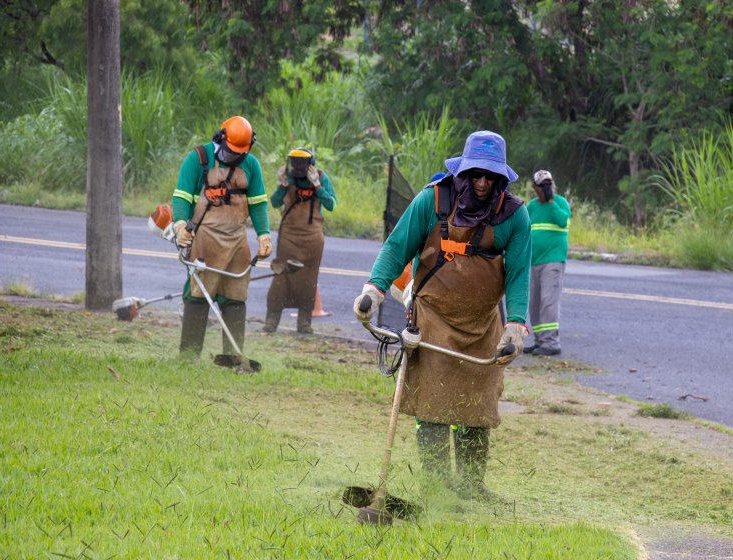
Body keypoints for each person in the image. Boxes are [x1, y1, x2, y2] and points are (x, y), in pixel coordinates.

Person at [353, 131, 531, 498]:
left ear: (501, 179)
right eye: (476, 175)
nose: (482, 183)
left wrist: (515, 325)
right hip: (431, 317)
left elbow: (518, 275)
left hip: (483, 325)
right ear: (462, 173)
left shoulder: (515, 217)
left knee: (477, 405)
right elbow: (396, 247)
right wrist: (373, 289)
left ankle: (470, 487)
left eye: (490, 177)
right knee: (432, 403)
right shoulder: (431, 201)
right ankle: (435, 485)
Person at [171, 116, 272, 358]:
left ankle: (232, 355)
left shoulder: (251, 165)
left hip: (237, 239)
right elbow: (182, 196)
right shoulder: (198, 159)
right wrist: (181, 225)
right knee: (198, 291)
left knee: (236, 293)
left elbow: (258, 204)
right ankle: (189, 356)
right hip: (205, 238)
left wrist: (263, 235)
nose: (235, 157)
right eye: (231, 151)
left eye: (240, 153)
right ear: (220, 139)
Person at [264, 148, 337, 334]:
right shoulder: (287, 178)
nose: (297, 166)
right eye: (294, 162)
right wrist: (281, 186)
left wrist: (318, 186)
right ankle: (271, 321)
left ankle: (304, 324)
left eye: (301, 163)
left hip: (312, 239)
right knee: (281, 277)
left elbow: (331, 205)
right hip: (288, 237)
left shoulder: (320, 177)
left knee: (308, 280)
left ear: (310, 163)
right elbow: (274, 203)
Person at [524, 170, 570, 356]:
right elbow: (523, 229)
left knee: (548, 301)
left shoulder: (560, 203)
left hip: (553, 259)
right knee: (534, 303)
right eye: (542, 185)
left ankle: (551, 343)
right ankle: (540, 340)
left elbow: (561, 221)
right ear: (535, 188)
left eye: (548, 184)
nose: (545, 188)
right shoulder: (532, 207)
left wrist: (551, 202)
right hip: (534, 260)